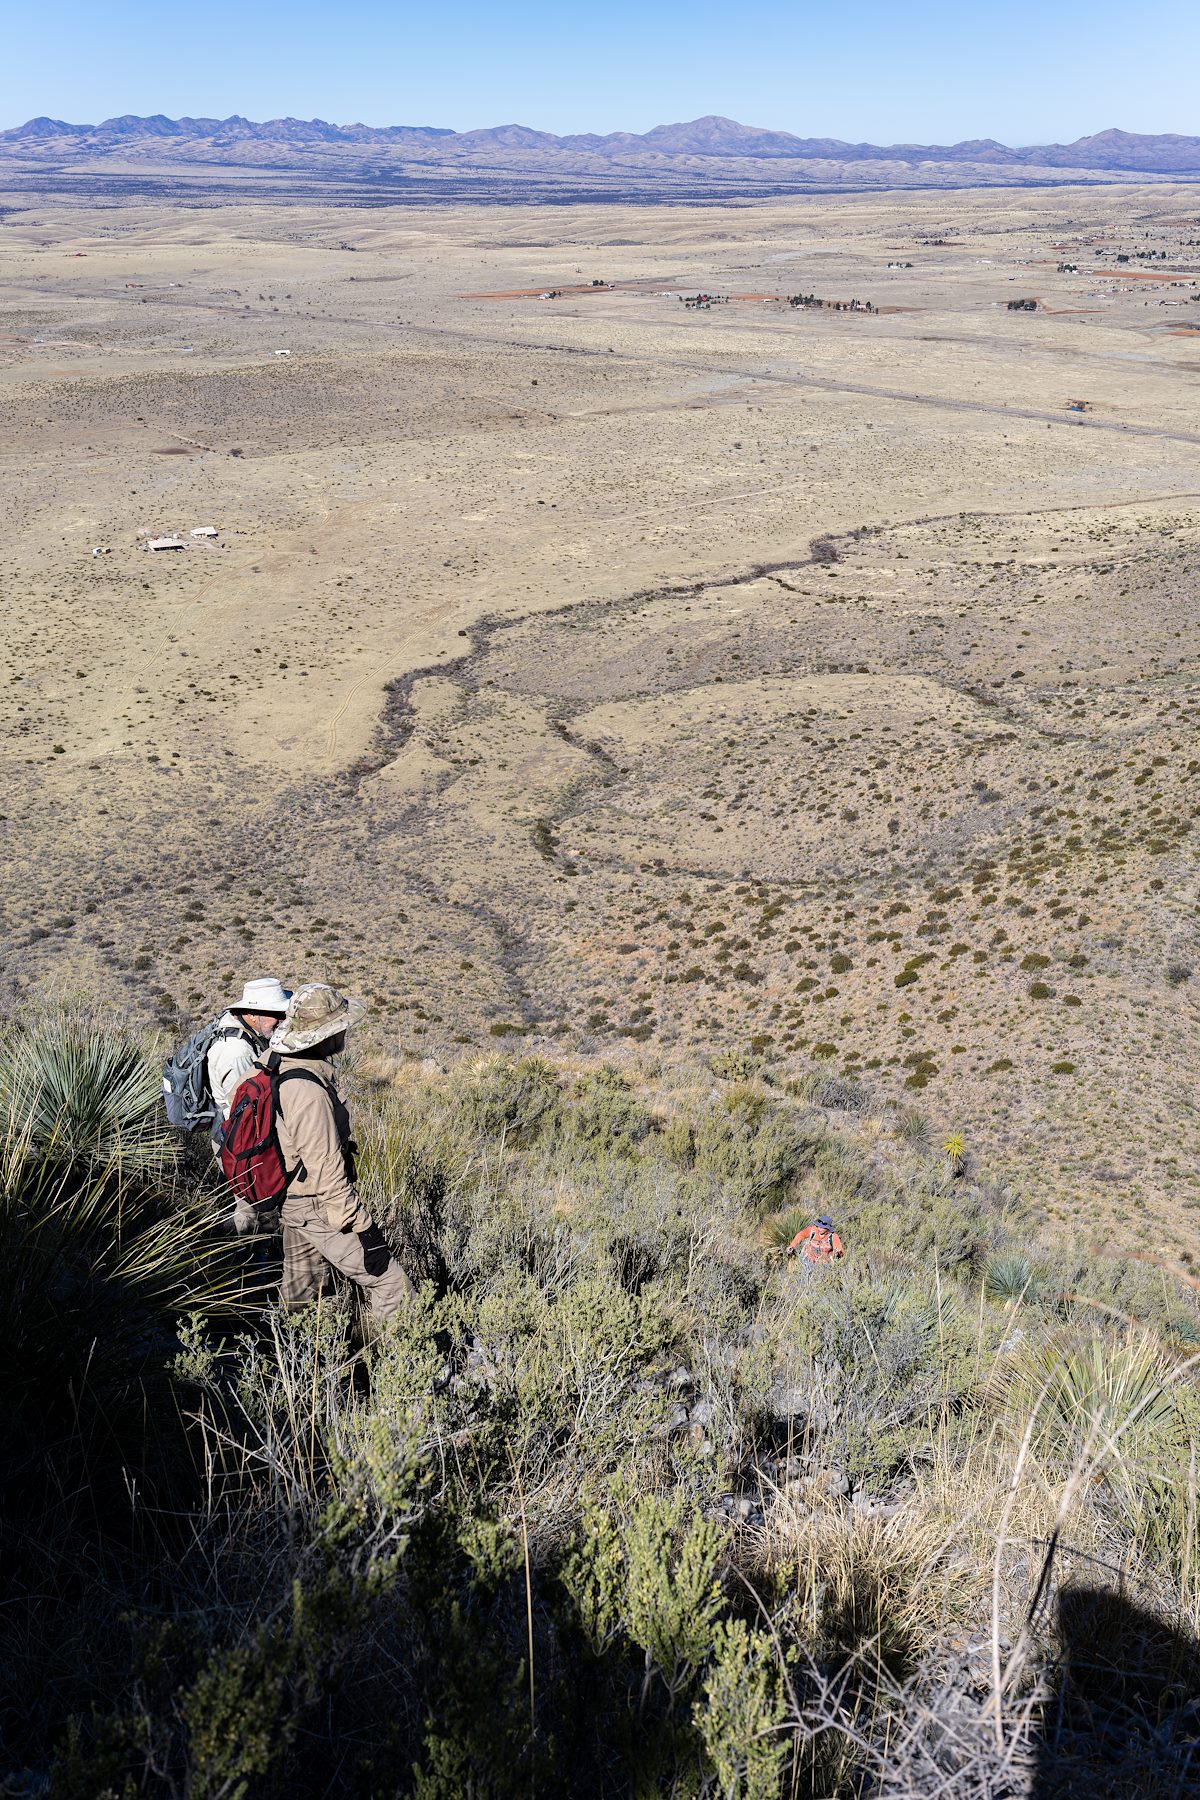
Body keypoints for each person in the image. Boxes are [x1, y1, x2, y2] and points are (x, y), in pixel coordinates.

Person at [265, 982, 412, 1323]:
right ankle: (394, 1369)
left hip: (292, 1200)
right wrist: (365, 1231)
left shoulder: (276, 1061)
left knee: (303, 1293)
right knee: (391, 1285)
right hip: (315, 1204)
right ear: (325, 1035)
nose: (346, 1030)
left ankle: (298, 1358)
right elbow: (327, 1176)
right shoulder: (307, 1091)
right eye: (341, 1025)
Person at [207, 977, 291, 1235]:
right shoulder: (237, 1052)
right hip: (240, 1139)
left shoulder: (241, 1030)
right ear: (252, 1013)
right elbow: (244, 1110)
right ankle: (246, 1259)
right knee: (255, 1206)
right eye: (276, 1014)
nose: (281, 1020)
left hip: (236, 1133)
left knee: (252, 1204)